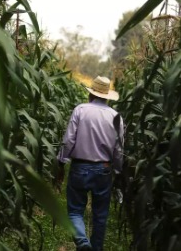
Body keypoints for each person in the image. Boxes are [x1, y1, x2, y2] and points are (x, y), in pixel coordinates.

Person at [56, 75, 124, 251]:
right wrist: (118, 171)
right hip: (104, 169)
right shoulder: (116, 116)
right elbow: (118, 149)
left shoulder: (80, 110)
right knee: (100, 216)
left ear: (91, 95)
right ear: (107, 96)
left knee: (75, 211)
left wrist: (61, 162)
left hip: (80, 167)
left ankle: (82, 242)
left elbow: (69, 140)